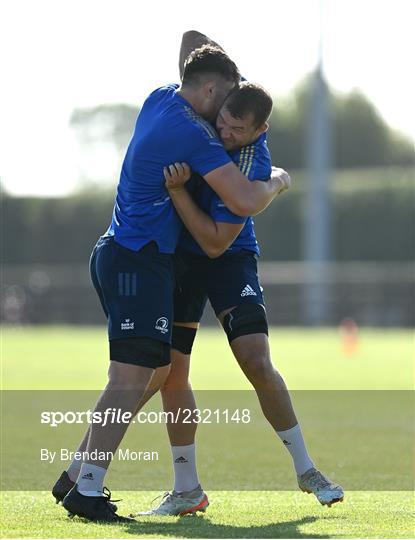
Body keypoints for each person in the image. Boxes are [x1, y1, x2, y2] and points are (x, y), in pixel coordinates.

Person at [51, 40, 287, 522]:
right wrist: (279, 180)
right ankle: (88, 489)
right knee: (131, 376)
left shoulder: (162, 95)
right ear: (207, 87)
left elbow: (189, 39)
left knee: (156, 373)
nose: (226, 107)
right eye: (224, 94)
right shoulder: (193, 134)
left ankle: (77, 473)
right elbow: (242, 200)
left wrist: (218, 62)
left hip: (131, 255)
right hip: (138, 259)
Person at [136, 32, 344, 517]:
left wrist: (182, 192)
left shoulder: (256, 161)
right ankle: (186, 487)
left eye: (234, 131)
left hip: (226, 255)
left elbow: (215, 241)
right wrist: (226, 72)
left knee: (255, 358)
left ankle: (306, 468)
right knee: (173, 372)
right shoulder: (223, 100)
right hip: (179, 258)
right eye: (222, 122)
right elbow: (191, 39)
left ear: (259, 130)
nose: (222, 133)